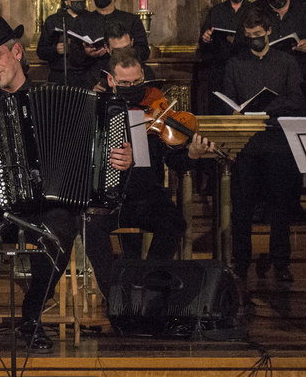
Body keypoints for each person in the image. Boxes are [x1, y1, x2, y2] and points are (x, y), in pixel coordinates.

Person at [0, 17, 133, 356]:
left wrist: (122, 159)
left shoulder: (58, 97)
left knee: (64, 221)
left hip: (43, 212)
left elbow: (102, 153)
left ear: (17, 52)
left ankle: (32, 316)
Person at [83, 48, 213, 298]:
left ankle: (149, 284)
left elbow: (175, 160)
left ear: (143, 75)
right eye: (124, 83)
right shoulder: (96, 110)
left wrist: (192, 155)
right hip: (108, 199)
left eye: (137, 82)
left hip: (146, 197)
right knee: (90, 226)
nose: (132, 88)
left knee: (173, 222)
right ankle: (114, 295)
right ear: (110, 80)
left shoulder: (155, 109)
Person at [221, 7, 306, 283]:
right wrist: (236, 111)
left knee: (280, 205)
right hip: (246, 141)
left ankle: (281, 262)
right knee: (242, 207)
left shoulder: (286, 62)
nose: (254, 39)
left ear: (269, 32)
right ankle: (241, 262)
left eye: (258, 34)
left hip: (277, 139)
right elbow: (227, 100)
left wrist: (268, 106)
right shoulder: (236, 64)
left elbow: (297, 99)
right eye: (249, 36)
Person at [198, 0, 252, 113]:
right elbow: (202, 44)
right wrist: (206, 38)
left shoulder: (253, 11)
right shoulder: (216, 11)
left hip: (246, 70)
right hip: (220, 71)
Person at [78, 0, 150, 62]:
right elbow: (74, 55)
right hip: (93, 67)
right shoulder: (82, 20)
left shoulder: (131, 20)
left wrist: (123, 51)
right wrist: (86, 53)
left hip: (124, 66)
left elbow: (144, 51)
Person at [36, 0, 90, 86]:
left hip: (86, 76)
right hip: (59, 76)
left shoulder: (92, 19)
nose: (78, 1)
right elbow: (41, 51)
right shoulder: (53, 20)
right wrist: (55, 49)